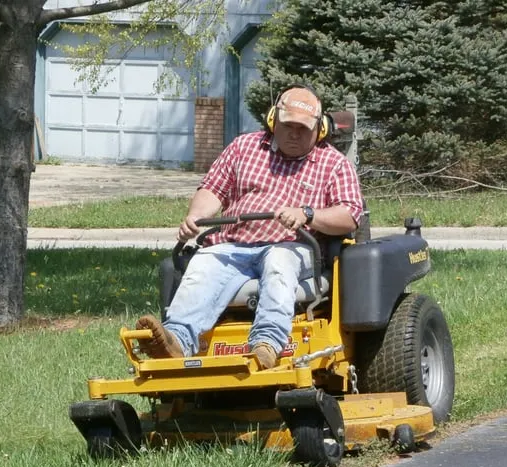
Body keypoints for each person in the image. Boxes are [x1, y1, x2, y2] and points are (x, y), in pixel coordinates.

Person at [136, 86, 365, 370]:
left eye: (303, 128)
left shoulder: (334, 164)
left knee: (279, 262)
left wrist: (307, 214)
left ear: (319, 130)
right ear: (273, 121)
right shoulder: (244, 147)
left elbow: (349, 215)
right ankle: (177, 342)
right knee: (203, 264)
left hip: (293, 246)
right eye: (287, 125)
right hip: (234, 243)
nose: (294, 133)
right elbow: (213, 189)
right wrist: (195, 218)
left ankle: (267, 344)